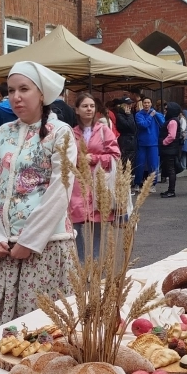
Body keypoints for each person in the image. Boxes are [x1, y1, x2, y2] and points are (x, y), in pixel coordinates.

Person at [0, 61, 76, 328]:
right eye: (11, 90)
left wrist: (30, 240)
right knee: (4, 329)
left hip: (46, 245)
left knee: (43, 326)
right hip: (3, 247)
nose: (16, 97)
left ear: (42, 93)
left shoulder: (60, 133)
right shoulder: (1, 134)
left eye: (24, 89)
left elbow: (60, 189)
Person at [69, 92, 120, 259]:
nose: (89, 109)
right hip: (77, 185)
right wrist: (79, 159)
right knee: (75, 226)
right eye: (84, 106)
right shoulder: (71, 133)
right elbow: (65, 157)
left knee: (97, 226)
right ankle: (82, 262)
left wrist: (94, 159)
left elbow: (115, 156)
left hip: (99, 183)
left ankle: (96, 264)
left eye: (92, 106)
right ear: (77, 110)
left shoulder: (104, 130)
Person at [134, 96, 163, 190]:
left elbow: (163, 123)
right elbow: (143, 125)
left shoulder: (156, 114)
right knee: (140, 164)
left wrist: (156, 114)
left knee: (153, 165)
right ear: (142, 104)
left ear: (151, 104)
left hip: (153, 143)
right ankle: (138, 183)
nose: (146, 104)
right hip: (142, 143)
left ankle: (152, 184)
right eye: (145, 103)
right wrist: (151, 116)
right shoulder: (138, 115)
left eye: (148, 103)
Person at [158, 102, 182, 197]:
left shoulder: (172, 121)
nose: (165, 110)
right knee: (171, 169)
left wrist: (164, 142)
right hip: (171, 148)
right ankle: (170, 190)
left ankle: (171, 191)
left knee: (171, 169)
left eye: (167, 109)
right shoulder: (172, 120)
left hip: (169, 149)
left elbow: (172, 136)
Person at [114, 97, 137, 169]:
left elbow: (134, 128)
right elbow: (130, 126)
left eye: (131, 104)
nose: (130, 106)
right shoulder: (120, 115)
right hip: (125, 140)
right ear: (123, 105)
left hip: (131, 140)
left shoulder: (129, 113)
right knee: (125, 161)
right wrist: (129, 115)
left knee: (132, 161)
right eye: (128, 104)